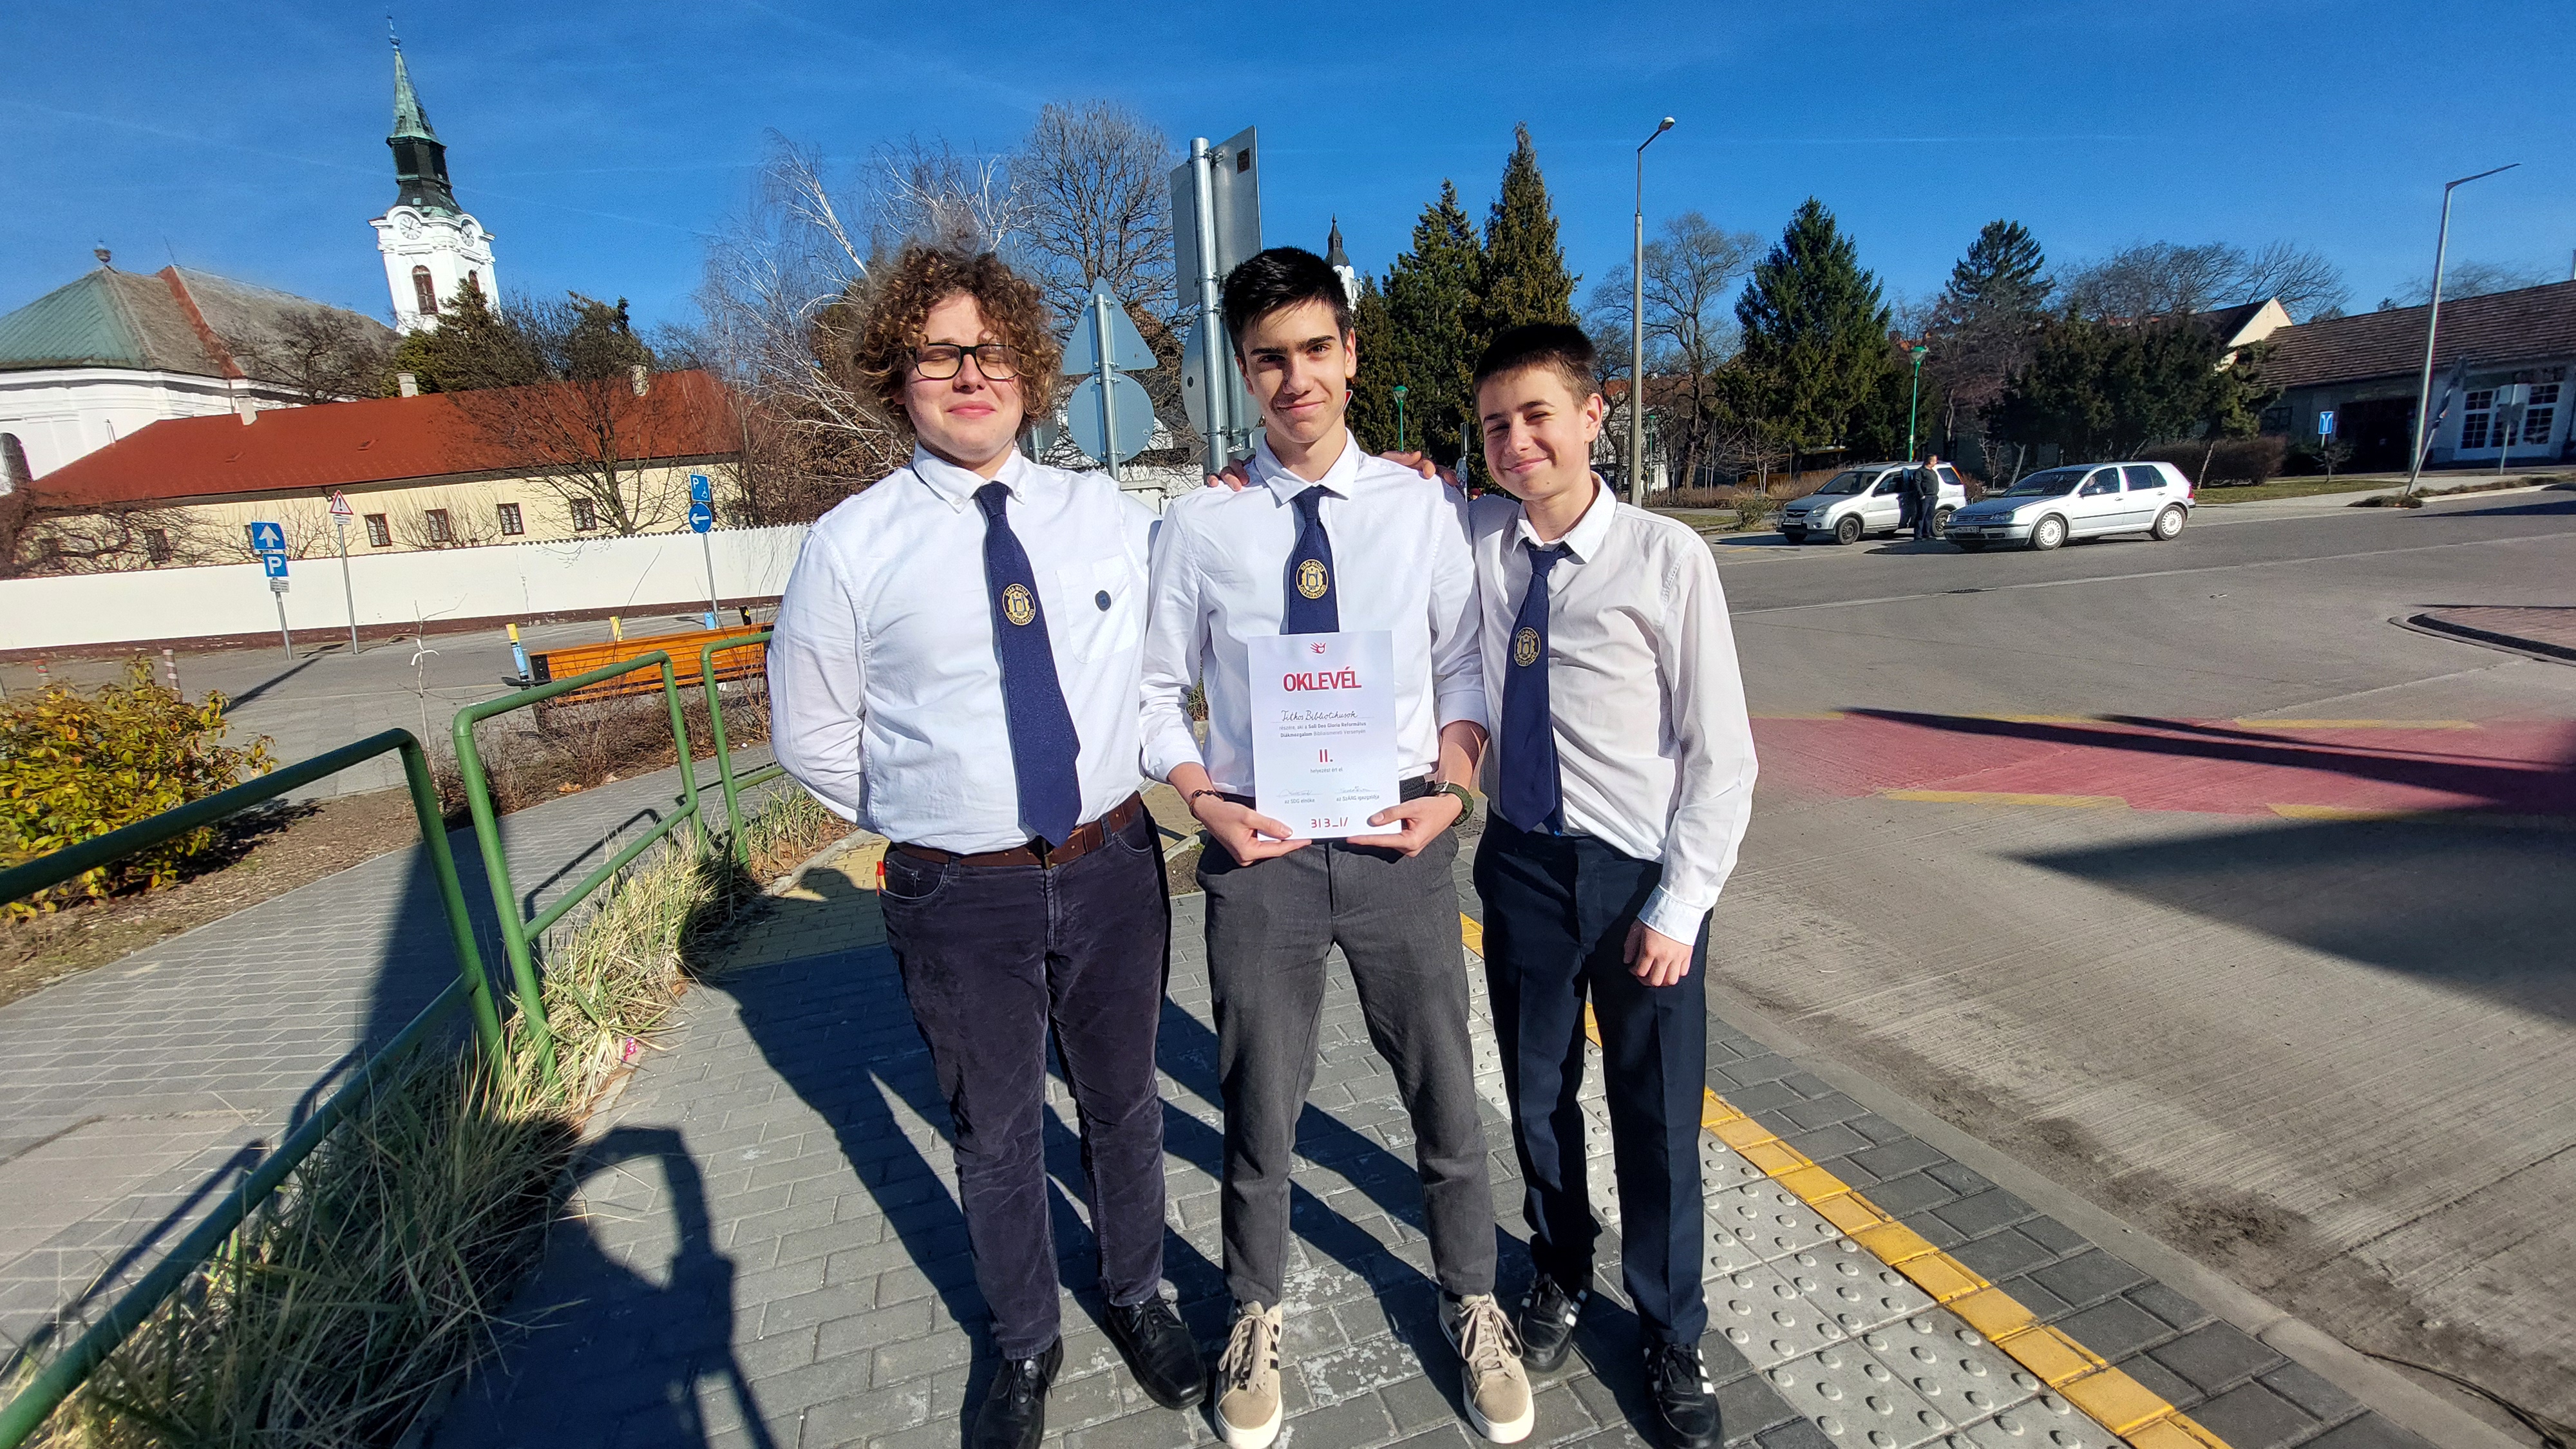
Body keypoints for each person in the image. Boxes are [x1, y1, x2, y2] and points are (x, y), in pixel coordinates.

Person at [766, 245, 1202, 1449]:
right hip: (959, 896)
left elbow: (1214, 595)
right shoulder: (852, 544)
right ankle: (1022, 1341)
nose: (971, 374)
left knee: (1123, 1105)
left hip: (1114, 868)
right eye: (940, 354)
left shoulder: (1105, 516)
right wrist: (935, 809)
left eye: (992, 350)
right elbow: (808, 733)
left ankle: (1138, 1292)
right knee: (997, 1134)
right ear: (896, 377)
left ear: (1029, 370)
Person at [1140, 246, 1531, 1448]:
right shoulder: (1200, 525)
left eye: (1317, 349)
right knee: (1259, 1099)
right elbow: (1153, 693)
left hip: (1396, 837)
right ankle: (1254, 1310)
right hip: (1259, 848)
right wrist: (1204, 800)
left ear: (1353, 355)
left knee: (1443, 1089)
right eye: (1270, 358)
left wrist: (1453, 792)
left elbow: (1464, 668)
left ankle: (1473, 1296)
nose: (1297, 378)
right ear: (1241, 369)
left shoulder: (1426, 507)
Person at [1466, 323, 1757, 1449]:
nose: (1517, 441)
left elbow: (1722, 753)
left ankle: (1671, 1330)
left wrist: (1682, 904)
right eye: (1496, 424)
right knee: (1537, 1092)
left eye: (1538, 415)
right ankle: (1560, 1266)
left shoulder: (1666, 558)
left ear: (1594, 416)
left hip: (1640, 881)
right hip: (1522, 865)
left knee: (1658, 1114)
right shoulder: (1476, 540)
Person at [1911, 457, 1944, 540]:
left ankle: (1927, 534)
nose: (1936, 462)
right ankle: (1918, 535)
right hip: (1925, 497)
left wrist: (1936, 493)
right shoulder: (1921, 472)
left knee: (1929, 516)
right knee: (1921, 515)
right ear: (1930, 462)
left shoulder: (1932, 472)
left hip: (1933, 497)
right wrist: (1922, 495)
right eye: (1935, 461)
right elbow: (1917, 483)